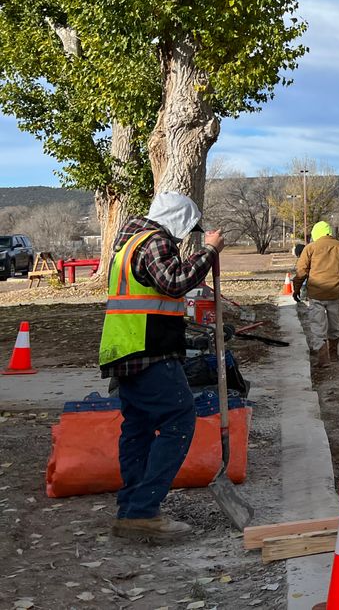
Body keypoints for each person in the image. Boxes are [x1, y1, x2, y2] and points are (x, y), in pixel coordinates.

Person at [99, 192, 225, 543]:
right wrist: (210, 251)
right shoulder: (155, 241)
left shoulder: (129, 243)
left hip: (127, 350)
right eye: (187, 228)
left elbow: (158, 293)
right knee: (180, 419)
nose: (187, 236)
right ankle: (142, 510)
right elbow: (174, 281)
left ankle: (131, 511)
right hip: (148, 351)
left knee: (138, 427)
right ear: (177, 220)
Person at [293, 221, 339, 367]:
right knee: (334, 325)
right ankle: (334, 354)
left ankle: (323, 359)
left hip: (316, 294)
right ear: (330, 232)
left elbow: (301, 272)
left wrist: (296, 289)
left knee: (318, 326)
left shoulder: (310, 248)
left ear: (315, 234)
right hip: (335, 293)